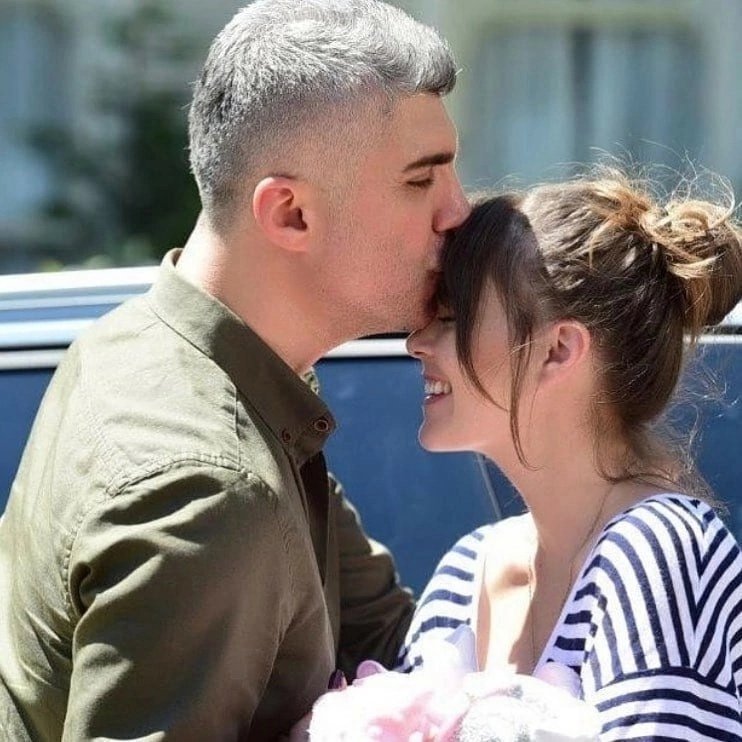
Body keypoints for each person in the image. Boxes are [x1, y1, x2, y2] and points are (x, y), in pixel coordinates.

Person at [0, 1, 470, 740]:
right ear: (289, 213)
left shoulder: (143, 345)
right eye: (421, 181)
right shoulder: (209, 488)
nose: (458, 211)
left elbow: (391, 645)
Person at [399, 168, 742, 740]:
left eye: (453, 318)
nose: (417, 342)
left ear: (558, 349)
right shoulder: (466, 571)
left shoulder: (657, 550)